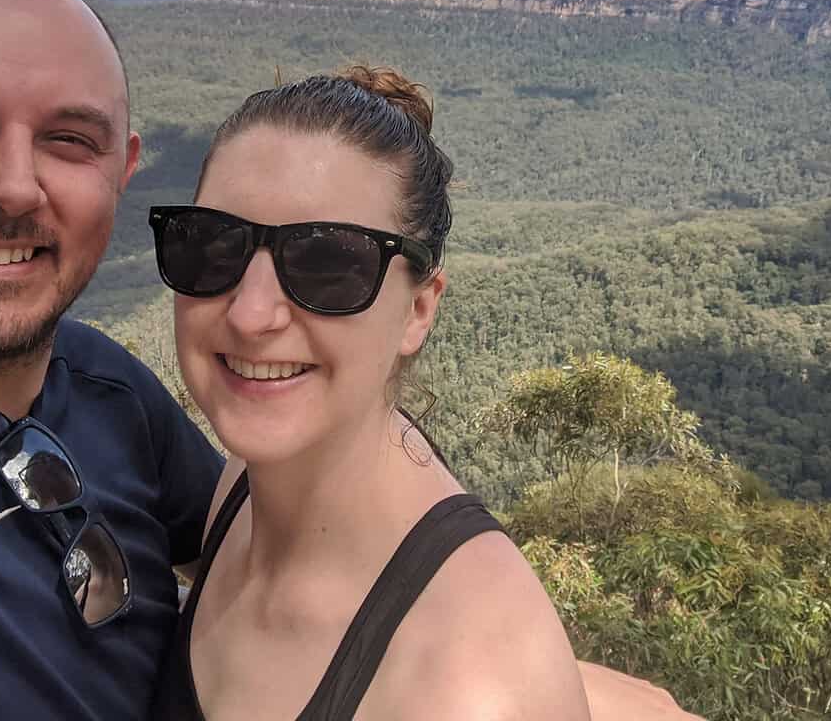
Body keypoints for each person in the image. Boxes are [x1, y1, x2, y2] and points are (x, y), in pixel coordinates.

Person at [0, 0, 701, 720]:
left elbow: (402, 610)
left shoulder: (107, 391)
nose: (11, 185)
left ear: (117, 172)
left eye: (330, 263)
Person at [148, 67, 694, 720]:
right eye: (211, 245)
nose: (250, 313)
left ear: (418, 311)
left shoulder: (467, 687)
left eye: (327, 263)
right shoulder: (248, 476)